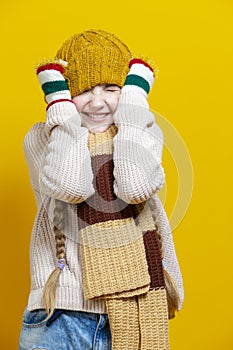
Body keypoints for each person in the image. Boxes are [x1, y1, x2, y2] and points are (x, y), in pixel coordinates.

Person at [19, 29, 184, 350]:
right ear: (64, 95)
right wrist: (61, 110)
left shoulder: (143, 132)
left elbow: (134, 186)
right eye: (83, 90)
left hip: (137, 311)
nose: (98, 102)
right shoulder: (43, 136)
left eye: (112, 88)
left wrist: (134, 108)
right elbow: (71, 185)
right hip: (60, 315)